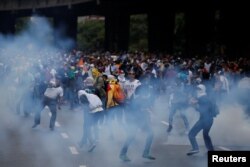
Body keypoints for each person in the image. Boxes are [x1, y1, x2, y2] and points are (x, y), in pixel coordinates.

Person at [119, 71, 156, 162]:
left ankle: (145, 153)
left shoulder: (146, 88)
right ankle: (123, 154)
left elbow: (146, 102)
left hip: (142, 117)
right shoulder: (140, 89)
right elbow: (136, 102)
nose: (148, 80)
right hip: (136, 117)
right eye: (147, 79)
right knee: (132, 135)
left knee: (150, 134)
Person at [187, 84, 215, 155]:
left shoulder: (203, 98)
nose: (197, 91)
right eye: (197, 89)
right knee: (205, 134)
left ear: (203, 90)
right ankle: (211, 150)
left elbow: (203, 110)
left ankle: (195, 148)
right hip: (210, 120)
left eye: (199, 89)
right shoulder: (204, 98)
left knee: (191, 134)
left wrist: (194, 106)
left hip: (204, 120)